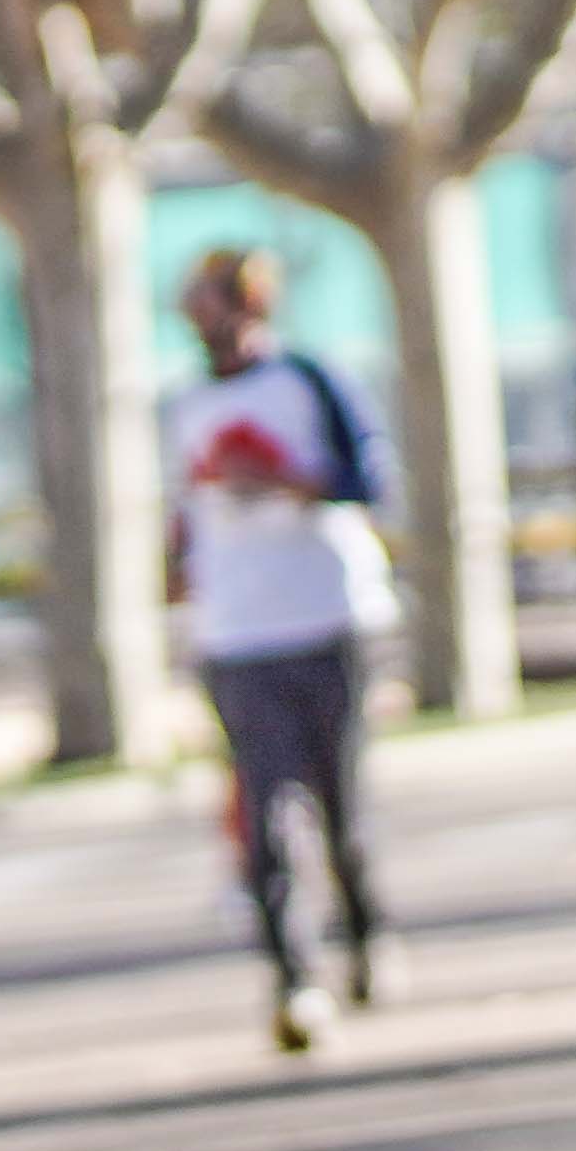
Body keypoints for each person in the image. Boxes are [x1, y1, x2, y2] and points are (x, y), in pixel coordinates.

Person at [167, 246, 389, 1055]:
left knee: (340, 810)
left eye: (214, 308)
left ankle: (363, 934)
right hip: (236, 633)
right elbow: (182, 511)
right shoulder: (185, 404)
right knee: (263, 818)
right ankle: (293, 979)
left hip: (326, 615)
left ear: (251, 306)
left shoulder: (309, 381)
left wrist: (289, 479)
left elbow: (369, 479)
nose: (204, 328)